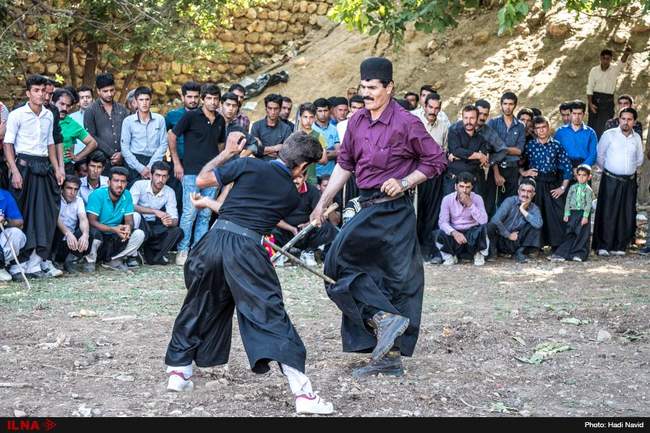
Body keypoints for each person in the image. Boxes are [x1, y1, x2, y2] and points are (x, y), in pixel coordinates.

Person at [164, 131, 334, 415]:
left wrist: (227, 153)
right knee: (269, 314)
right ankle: (304, 394)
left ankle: (179, 372)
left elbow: (203, 180)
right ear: (303, 167)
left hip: (212, 241)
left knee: (199, 304)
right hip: (246, 250)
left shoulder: (248, 165)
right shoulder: (290, 195)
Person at [310, 57, 446, 378]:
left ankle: (389, 358)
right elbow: (345, 165)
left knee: (393, 282)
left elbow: (436, 161)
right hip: (366, 206)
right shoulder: (357, 121)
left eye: (372, 87)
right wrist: (322, 203)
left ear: (390, 87)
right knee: (336, 266)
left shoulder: (407, 122)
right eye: (363, 87)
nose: (366, 93)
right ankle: (382, 318)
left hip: (394, 211)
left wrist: (405, 182)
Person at [4, 74, 64, 278]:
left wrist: (57, 168)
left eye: (43, 91)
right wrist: (14, 171)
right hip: (23, 167)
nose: (40, 94)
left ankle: (36, 261)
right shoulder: (17, 115)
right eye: (36, 91)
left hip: (44, 166)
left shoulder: (49, 115)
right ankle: (17, 263)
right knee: (23, 213)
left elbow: (50, 144)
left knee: (46, 213)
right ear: (28, 93)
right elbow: (8, 144)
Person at [169, 84, 225, 266]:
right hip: (191, 172)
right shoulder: (191, 116)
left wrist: (218, 167)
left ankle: (198, 251)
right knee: (189, 213)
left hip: (212, 175)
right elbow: (172, 136)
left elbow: (221, 145)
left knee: (205, 214)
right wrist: (177, 163)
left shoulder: (220, 120)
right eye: (209, 98)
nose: (213, 102)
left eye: (216, 99)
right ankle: (183, 250)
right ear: (203, 99)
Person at [592, 107, 643, 256]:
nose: (626, 122)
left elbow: (639, 160)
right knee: (608, 212)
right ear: (619, 119)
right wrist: (611, 171)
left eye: (629, 119)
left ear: (634, 121)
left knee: (625, 213)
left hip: (629, 181)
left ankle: (619, 246)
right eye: (623, 119)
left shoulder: (637, 138)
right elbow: (600, 156)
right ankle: (603, 246)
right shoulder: (609, 135)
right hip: (610, 179)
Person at [521, 116, 572, 248]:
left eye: (544, 127)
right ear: (534, 130)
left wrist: (562, 188)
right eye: (538, 128)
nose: (541, 130)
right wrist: (524, 172)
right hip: (535, 184)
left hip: (552, 183)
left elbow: (567, 168)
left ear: (548, 128)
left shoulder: (556, 145)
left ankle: (556, 245)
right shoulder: (530, 145)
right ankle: (534, 246)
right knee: (535, 213)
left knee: (555, 214)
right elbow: (519, 162)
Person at [271, 170, 337, 267]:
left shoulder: (312, 191)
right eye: (293, 177)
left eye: (299, 177)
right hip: (285, 231)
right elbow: (273, 216)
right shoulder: (280, 190)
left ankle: (308, 252)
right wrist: (292, 229)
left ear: (305, 178)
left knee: (326, 227)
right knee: (269, 224)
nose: (295, 181)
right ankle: (280, 253)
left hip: (307, 231)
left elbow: (318, 214)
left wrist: (308, 225)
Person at [86, 167, 145, 271]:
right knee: (94, 233)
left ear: (126, 183)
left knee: (139, 234)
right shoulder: (97, 194)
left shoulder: (127, 195)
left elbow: (129, 220)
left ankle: (114, 260)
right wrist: (113, 229)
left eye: (123, 181)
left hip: (115, 235)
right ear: (109, 182)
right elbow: (92, 221)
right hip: (99, 234)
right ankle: (90, 261)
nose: (119, 185)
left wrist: (128, 228)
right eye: (116, 181)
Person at [130, 161, 182, 265]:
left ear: (168, 178)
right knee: (135, 216)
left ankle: (156, 256)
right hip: (141, 224)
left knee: (177, 231)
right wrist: (154, 211)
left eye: (164, 176)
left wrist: (169, 221)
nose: (160, 180)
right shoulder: (139, 185)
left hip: (155, 226)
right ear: (151, 175)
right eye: (158, 175)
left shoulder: (170, 191)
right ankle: (133, 254)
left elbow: (175, 219)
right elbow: (130, 206)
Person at [485, 92, 526, 216]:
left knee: (510, 203)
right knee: (492, 204)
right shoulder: (493, 123)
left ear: (515, 105)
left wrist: (501, 149)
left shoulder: (520, 126)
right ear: (501, 104)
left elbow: (519, 150)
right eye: (505, 104)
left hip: (512, 169)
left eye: (511, 104)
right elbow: (490, 149)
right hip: (496, 168)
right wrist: (496, 173)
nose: (508, 107)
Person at [436, 172, 489, 266]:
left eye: (468, 187)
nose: (464, 190)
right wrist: (454, 233)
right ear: (455, 186)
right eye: (461, 186)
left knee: (483, 230)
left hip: (472, 234)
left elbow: (484, 221)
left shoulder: (477, 198)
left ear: (472, 187)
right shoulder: (447, 199)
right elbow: (443, 222)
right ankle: (449, 256)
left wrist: (470, 204)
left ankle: (478, 254)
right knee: (439, 233)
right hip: (455, 232)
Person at [487, 178, 542, 263]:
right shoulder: (510, 201)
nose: (525, 194)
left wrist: (523, 210)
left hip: (517, 241)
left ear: (533, 194)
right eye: (523, 190)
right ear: (518, 191)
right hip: (502, 238)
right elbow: (495, 220)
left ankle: (520, 252)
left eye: (529, 192)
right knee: (491, 226)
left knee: (534, 225)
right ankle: (493, 253)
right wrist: (508, 235)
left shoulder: (534, 208)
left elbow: (539, 224)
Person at [120, 87, 168, 185]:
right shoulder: (128, 121)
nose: (144, 103)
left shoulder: (160, 120)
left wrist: (150, 167)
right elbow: (124, 148)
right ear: (136, 102)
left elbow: (163, 144)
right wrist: (141, 168)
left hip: (155, 160)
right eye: (141, 100)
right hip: (134, 162)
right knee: (133, 191)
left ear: (151, 101)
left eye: (147, 99)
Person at [84, 73, 130, 172]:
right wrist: (112, 154)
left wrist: (122, 154)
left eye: (112, 90)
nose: (109, 94)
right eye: (105, 91)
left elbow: (129, 134)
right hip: (100, 162)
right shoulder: (91, 111)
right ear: (98, 91)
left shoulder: (122, 110)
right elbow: (91, 136)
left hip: (123, 160)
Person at [550, 165, 593, 262]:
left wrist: (585, 216)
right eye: (579, 175)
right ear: (576, 176)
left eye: (584, 175)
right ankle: (563, 253)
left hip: (583, 213)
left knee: (582, 234)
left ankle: (579, 254)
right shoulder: (572, 187)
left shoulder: (588, 190)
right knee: (570, 232)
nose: (581, 177)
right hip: (573, 213)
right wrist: (566, 213)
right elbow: (568, 201)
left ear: (589, 177)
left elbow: (588, 204)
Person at [53, 175, 95, 273]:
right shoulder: (56, 199)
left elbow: (83, 219)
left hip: (71, 242)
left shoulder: (79, 200)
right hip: (56, 238)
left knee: (89, 233)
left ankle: (70, 261)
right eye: (69, 188)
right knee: (55, 230)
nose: (72, 192)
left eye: (75, 189)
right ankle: (53, 260)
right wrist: (67, 233)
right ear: (62, 189)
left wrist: (85, 235)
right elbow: (56, 218)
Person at [587, 47, 632, 138]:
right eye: (603, 58)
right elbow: (590, 87)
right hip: (595, 100)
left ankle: (604, 145)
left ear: (611, 59)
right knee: (592, 125)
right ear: (600, 58)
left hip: (608, 101)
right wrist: (590, 103)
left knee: (606, 125)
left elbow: (622, 62)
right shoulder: (594, 70)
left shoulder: (614, 69)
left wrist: (626, 53)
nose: (605, 61)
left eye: (608, 58)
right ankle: (591, 145)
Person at [52, 89, 98, 174]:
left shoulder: (72, 124)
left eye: (68, 106)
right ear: (53, 103)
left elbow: (92, 143)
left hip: (66, 168)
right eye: (62, 104)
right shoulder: (45, 118)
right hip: (45, 166)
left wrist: (77, 157)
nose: (64, 108)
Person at [555, 100, 598, 171]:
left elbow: (593, 154)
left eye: (579, 114)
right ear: (570, 114)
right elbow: (556, 153)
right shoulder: (560, 132)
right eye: (574, 113)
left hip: (584, 168)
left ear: (584, 114)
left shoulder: (590, 133)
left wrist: (581, 169)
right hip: (565, 167)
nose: (577, 117)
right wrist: (567, 168)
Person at [250, 93, 293, 160]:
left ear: (280, 109)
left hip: (277, 164)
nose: (273, 112)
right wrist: (274, 148)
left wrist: (263, 150)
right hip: (259, 164)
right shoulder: (256, 126)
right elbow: (254, 149)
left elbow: (286, 152)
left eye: (276, 109)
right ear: (266, 109)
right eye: (270, 108)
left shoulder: (286, 129)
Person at [0, 188, 27, 281]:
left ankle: (1, 265)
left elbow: (19, 222)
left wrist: (5, 221)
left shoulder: (4, 195)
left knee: (17, 233)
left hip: (1, 240)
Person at [312, 98, 340, 178]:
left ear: (330, 111)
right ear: (315, 112)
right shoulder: (310, 129)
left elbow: (339, 152)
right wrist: (329, 153)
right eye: (320, 111)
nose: (323, 114)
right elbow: (310, 155)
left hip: (331, 175)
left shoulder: (334, 129)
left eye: (325, 110)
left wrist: (321, 154)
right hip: (314, 175)